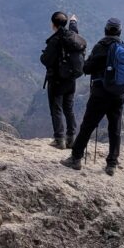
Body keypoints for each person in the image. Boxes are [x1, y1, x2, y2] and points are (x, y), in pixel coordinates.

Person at [62, 18, 124, 176]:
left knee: (88, 125)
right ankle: (112, 164)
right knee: (115, 128)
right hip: (119, 94)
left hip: (101, 94)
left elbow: (87, 67)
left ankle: (76, 158)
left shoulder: (102, 46)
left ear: (106, 30)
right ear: (119, 32)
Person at [39, 11, 87, 149]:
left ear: (53, 24)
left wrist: (44, 57)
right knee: (69, 108)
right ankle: (71, 138)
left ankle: (59, 139)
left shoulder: (55, 40)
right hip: (71, 80)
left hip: (57, 80)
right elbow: (74, 31)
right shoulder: (72, 37)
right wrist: (73, 22)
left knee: (56, 109)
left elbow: (46, 59)